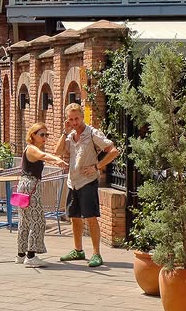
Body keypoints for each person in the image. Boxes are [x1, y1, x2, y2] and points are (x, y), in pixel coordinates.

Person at [56, 102, 118, 268]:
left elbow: (113, 151)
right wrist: (65, 132)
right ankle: (78, 250)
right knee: (74, 217)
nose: (75, 122)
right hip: (73, 182)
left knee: (90, 217)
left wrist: (97, 166)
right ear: (67, 120)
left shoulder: (92, 133)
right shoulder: (69, 135)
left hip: (87, 182)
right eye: (71, 119)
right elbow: (58, 152)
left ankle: (96, 253)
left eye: (77, 118)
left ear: (82, 117)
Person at [15, 123, 68, 267]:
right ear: (33, 135)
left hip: (25, 185)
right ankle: (31, 256)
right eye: (42, 134)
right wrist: (57, 160)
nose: (45, 137)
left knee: (25, 220)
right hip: (30, 186)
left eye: (46, 134)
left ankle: (21, 254)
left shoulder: (31, 148)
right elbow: (43, 156)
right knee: (38, 220)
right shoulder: (32, 149)